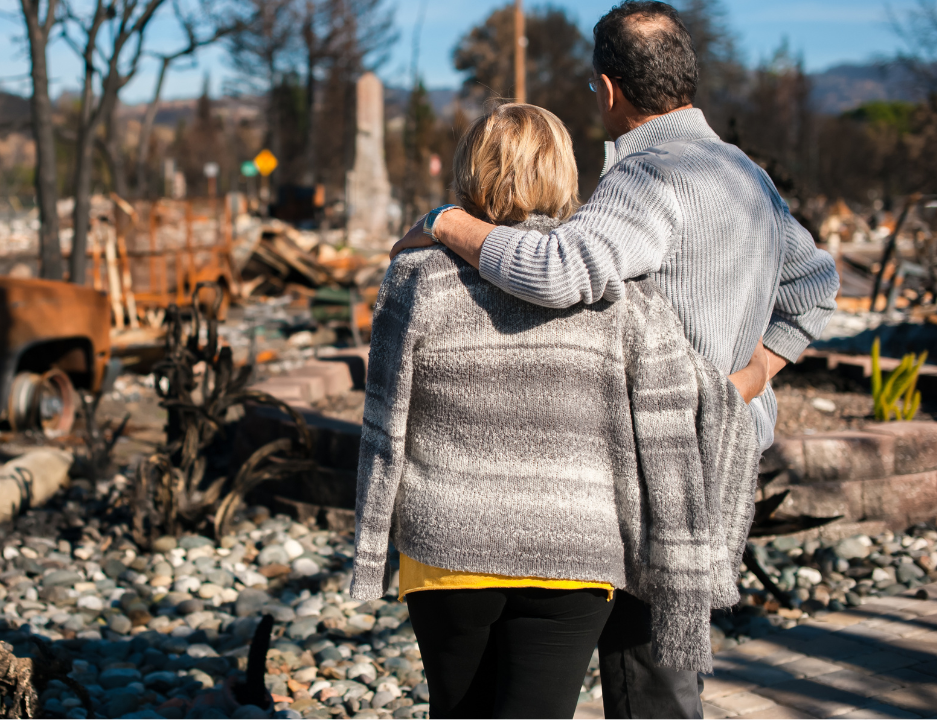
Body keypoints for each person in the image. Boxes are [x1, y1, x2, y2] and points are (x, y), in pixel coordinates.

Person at [390, 2, 840, 716]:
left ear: (607, 89)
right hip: (724, 454)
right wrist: (750, 380)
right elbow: (816, 287)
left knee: (644, 682)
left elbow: (557, 271)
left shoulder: (649, 177)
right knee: (667, 672)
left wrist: (446, 223)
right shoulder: (744, 175)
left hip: (656, 461)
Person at [351, 103, 759, 719]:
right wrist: (753, 376)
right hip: (575, 552)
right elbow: (674, 407)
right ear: (565, 173)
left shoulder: (417, 274)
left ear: (469, 171)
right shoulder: (615, 290)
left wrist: (370, 548)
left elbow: (385, 423)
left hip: (447, 546)